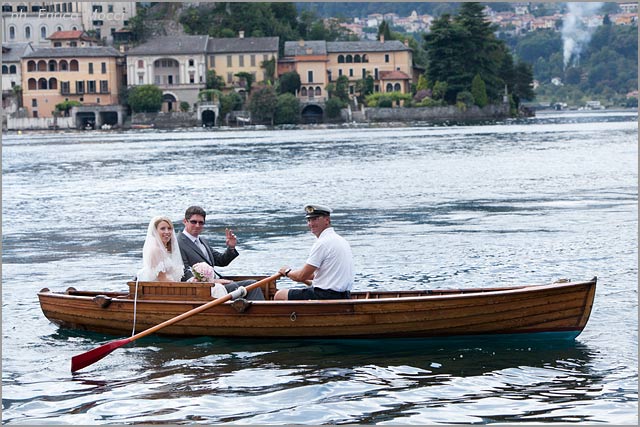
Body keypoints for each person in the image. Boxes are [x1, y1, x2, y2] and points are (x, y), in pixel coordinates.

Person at [178, 205, 265, 301]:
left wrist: (231, 248)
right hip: (203, 289)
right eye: (194, 222)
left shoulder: (202, 240)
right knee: (233, 286)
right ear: (185, 221)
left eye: (201, 223)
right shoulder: (178, 242)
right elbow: (184, 272)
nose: (197, 225)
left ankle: (261, 314)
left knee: (254, 284)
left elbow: (221, 260)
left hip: (217, 283)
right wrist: (214, 281)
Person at [275, 204, 354, 300]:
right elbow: (317, 274)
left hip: (327, 295)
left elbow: (301, 276)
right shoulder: (341, 240)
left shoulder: (322, 243)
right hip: (344, 295)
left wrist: (287, 272)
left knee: (279, 295)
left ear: (327, 220)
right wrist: (296, 275)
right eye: (309, 220)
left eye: (315, 219)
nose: (311, 223)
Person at [137, 216, 184, 282]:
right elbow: (162, 279)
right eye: (162, 229)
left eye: (169, 228)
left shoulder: (165, 249)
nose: (167, 232)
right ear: (155, 231)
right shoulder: (156, 250)